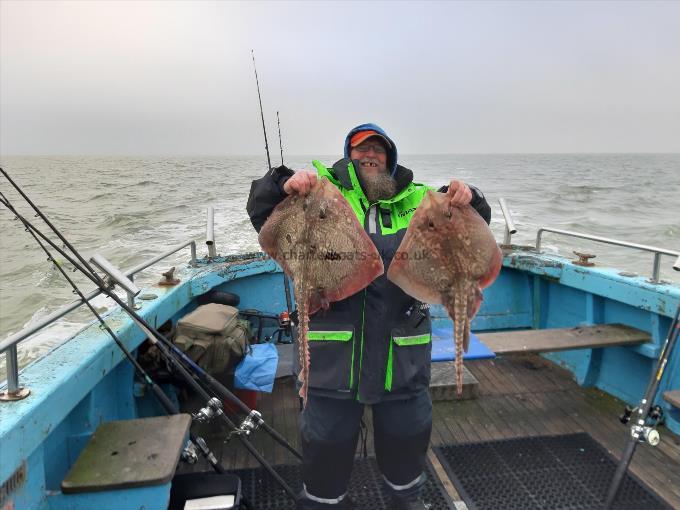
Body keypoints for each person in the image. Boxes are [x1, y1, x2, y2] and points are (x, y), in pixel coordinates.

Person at [247, 123, 491, 510]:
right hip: (333, 359)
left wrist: (471, 196)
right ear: (349, 154)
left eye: (378, 149)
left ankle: (407, 500)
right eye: (362, 150)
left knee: (408, 440)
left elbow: (471, 223)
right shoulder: (322, 190)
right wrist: (281, 185)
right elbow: (263, 213)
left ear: (390, 157)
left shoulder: (419, 199)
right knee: (325, 446)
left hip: (402, 356)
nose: (370, 156)